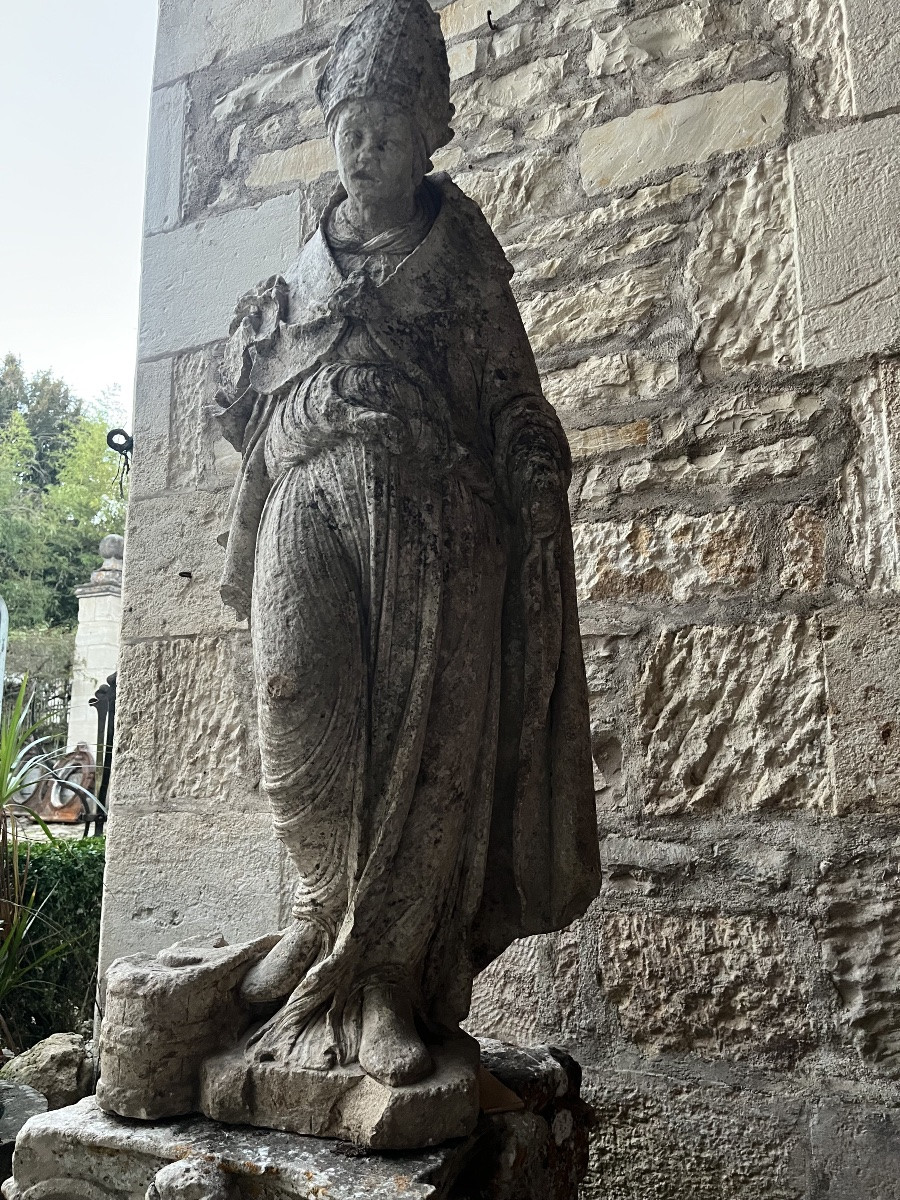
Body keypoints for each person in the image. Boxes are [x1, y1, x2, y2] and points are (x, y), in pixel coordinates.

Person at [214, 0, 600, 1088]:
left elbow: (513, 400)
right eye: (349, 121)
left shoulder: (463, 256)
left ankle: (384, 981)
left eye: (386, 120)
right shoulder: (300, 267)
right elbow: (249, 405)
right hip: (305, 497)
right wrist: (240, 383)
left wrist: (535, 475)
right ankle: (313, 913)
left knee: (421, 754)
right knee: (293, 695)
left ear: (427, 129)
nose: (365, 142)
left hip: (431, 527)